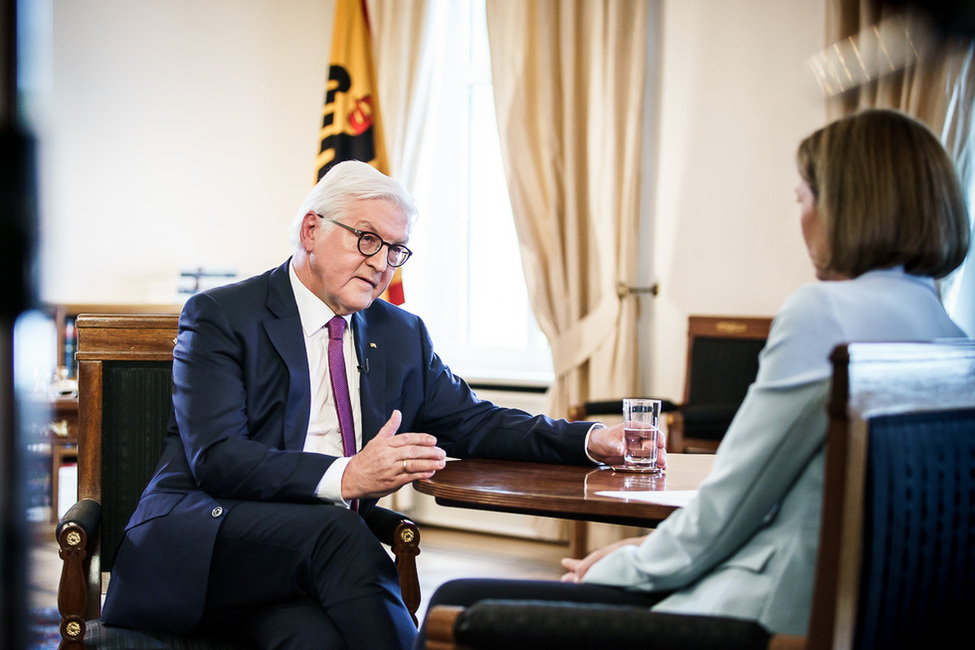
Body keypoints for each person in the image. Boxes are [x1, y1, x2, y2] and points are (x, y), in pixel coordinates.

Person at [418, 108, 972, 642]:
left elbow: (732, 502)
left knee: (455, 602)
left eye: (802, 198)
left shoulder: (823, 315)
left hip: (752, 620)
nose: (800, 219)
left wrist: (626, 563)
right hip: (865, 617)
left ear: (848, 209)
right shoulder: (952, 342)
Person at [99, 160, 637, 649]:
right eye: (366, 239)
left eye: (395, 249)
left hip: (303, 573)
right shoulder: (223, 315)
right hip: (208, 544)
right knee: (339, 530)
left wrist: (590, 439)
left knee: (314, 642)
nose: (382, 264)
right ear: (312, 230)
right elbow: (217, 458)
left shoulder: (400, 333)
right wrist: (348, 477)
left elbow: (475, 421)